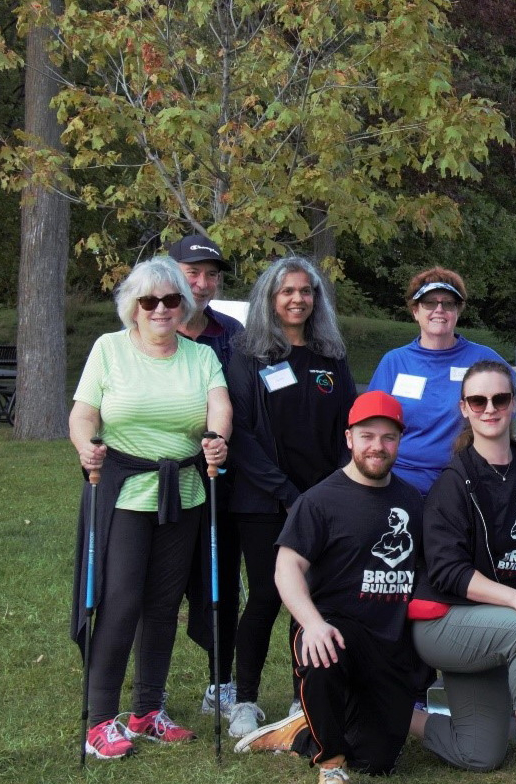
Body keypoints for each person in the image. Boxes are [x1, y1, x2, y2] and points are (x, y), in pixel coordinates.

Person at [69, 257, 232, 760]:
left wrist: (217, 440)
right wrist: (84, 446)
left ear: (184, 305)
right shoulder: (109, 350)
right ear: (133, 308)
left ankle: (146, 711)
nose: (161, 309)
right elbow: (84, 412)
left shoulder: (200, 355)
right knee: (119, 603)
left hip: (183, 491)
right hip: (122, 490)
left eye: (171, 299)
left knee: (163, 606)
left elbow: (219, 404)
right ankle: (100, 721)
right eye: (149, 301)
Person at [406, 360, 516, 784]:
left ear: (513, 403)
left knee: (480, 753)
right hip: (445, 621)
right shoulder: (454, 481)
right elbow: (448, 573)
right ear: (464, 408)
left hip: (498, 624)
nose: (490, 408)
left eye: (500, 399)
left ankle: (388, 712)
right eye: (478, 400)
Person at [232, 392, 423, 784]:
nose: (378, 446)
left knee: (377, 762)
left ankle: (302, 730)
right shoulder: (320, 501)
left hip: (390, 640)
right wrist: (312, 623)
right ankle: (330, 762)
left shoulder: (411, 500)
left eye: (388, 438)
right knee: (320, 651)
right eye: (367, 436)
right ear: (349, 438)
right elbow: (287, 567)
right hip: (335, 628)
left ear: (399, 442)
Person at [225, 257, 357, 738]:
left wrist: (329, 493)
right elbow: (240, 433)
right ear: (269, 298)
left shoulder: (330, 355)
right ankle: (244, 700)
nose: (298, 299)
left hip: (321, 502)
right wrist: (286, 494)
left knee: (315, 600)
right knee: (265, 596)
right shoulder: (248, 355)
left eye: (307, 291)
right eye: (287, 292)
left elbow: (350, 425)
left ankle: (303, 694)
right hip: (265, 503)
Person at [369, 267, 516, 496]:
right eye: (429, 302)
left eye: (448, 303)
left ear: (458, 311)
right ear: (415, 311)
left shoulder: (480, 357)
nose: (439, 310)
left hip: (464, 480)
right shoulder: (394, 361)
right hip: (402, 481)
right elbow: (370, 420)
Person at [166, 233, 245, 720]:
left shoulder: (233, 334)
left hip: (224, 476)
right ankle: (146, 695)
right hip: (165, 479)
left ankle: (222, 680)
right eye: (192, 273)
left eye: (210, 275)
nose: (202, 282)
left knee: (219, 581)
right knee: (161, 584)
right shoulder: (152, 327)